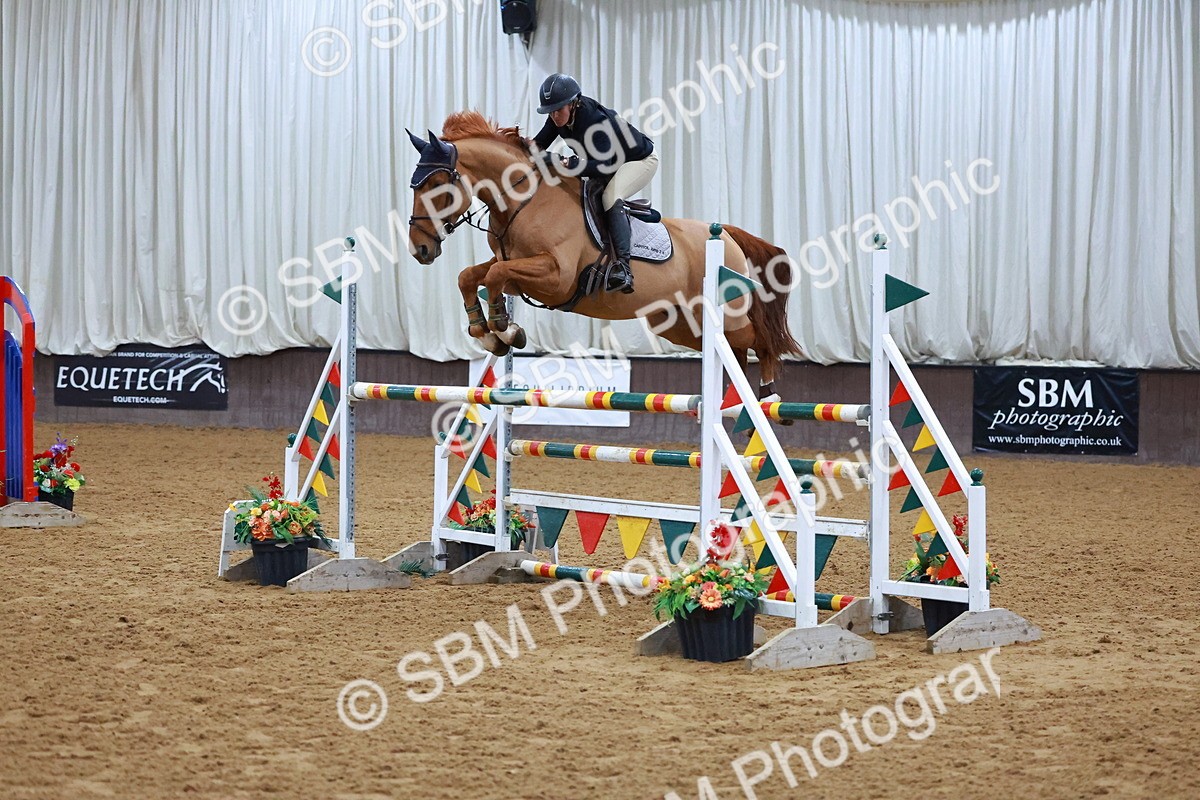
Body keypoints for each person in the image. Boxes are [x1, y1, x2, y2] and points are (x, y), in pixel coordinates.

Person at [529, 73, 658, 293]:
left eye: (558, 110)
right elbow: (537, 145)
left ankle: (623, 268)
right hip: (610, 163)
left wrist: (562, 161)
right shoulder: (558, 116)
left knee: (611, 196)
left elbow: (601, 165)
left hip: (638, 161)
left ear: (573, 103)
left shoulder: (594, 120)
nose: (554, 116)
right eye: (550, 112)